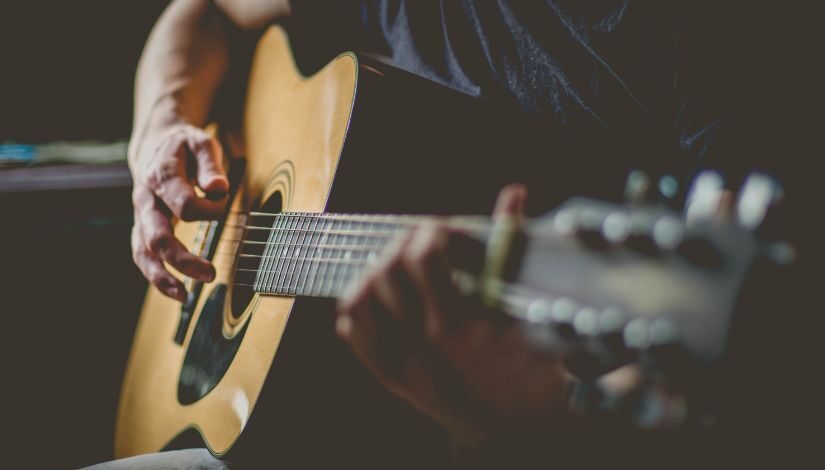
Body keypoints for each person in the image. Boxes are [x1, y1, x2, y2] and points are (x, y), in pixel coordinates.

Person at [112, 0, 806, 467]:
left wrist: (520, 427)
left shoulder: (703, 35)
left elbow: (759, 393)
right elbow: (202, 11)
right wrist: (159, 132)